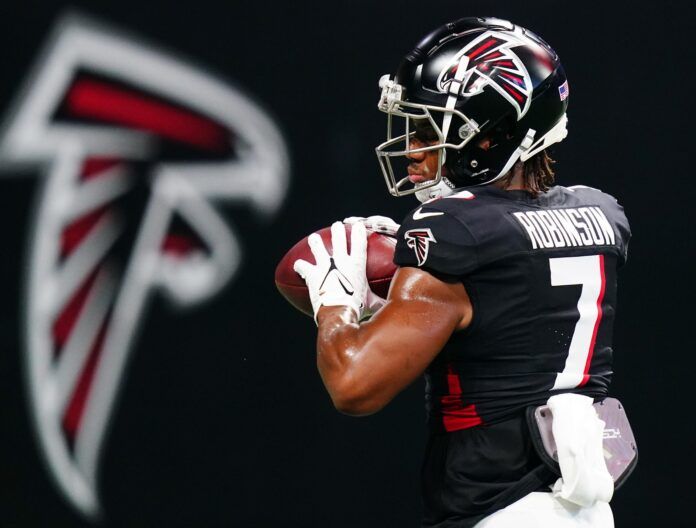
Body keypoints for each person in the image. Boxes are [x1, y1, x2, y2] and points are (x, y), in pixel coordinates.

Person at [293, 17, 631, 528]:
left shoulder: (455, 231)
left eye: (431, 130)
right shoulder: (599, 215)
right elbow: (508, 310)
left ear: (491, 137)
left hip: (497, 512)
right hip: (584, 511)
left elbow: (354, 384)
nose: (412, 150)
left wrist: (336, 299)